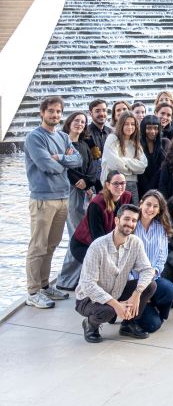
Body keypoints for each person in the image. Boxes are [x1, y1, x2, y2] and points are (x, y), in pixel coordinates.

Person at [24, 96, 82, 308]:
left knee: (51, 245)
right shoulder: (34, 137)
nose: (55, 115)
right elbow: (47, 165)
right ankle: (33, 292)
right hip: (43, 199)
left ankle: (45, 285)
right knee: (38, 246)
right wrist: (62, 161)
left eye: (58, 111)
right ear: (42, 112)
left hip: (63, 197)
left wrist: (60, 158)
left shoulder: (64, 137)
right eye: (51, 111)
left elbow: (78, 160)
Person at [75, 203, 157, 342]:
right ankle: (90, 325)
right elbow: (88, 285)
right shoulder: (97, 246)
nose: (130, 223)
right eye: (127, 219)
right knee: (108, 311)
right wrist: (116, 305)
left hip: (117, 291)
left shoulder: (135, 242)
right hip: (88, 298)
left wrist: (137, 294)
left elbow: (148, 270)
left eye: (134, 220)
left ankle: (128, 324)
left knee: (150, 285)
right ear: (117, 220)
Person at [55, 111, 96, 290]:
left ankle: (78, 278)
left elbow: (92, 167)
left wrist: (88, 183)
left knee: (86, 235)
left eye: (83, 122)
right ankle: (65, 280)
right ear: (69, 122)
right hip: (72, 191)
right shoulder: (62, 143)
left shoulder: (84, 144)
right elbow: (63, 167)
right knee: (77, 236)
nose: (80, 124)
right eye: (76, 121)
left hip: (87, 191)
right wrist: (79, 182)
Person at [131, 190, 173, 333]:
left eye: (155, 206)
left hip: (152, 278)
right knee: (153, 326)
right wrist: (139, 288)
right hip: (132, 281)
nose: (150, 209)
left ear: (159, 210)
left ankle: (150, 305)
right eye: (148, 204)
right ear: (141, 204)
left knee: (171, 291)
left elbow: (162, 257)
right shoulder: (131, 226)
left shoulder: (161, 228)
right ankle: (139, 310)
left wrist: (154, 272)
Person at [70, 171, 132, 263]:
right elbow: (98, 237)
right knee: (103, 265)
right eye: (116, 183)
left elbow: (131, 225)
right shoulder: (97, 203)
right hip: (84, 244)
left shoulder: (127, 197)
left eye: (122, 183)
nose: (120, 186)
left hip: (109, 241)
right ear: (108, 185)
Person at [102, 112, 147, 201]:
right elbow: (114, 165)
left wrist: (124, 161)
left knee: (133, 209)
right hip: (114, 185)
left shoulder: (135, 143)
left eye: (132, 124)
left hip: (132, 185)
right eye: (126, 124)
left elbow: (143, 166)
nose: (130, 127)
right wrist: (132, 170)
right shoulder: (112, 139)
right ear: (121, 125)